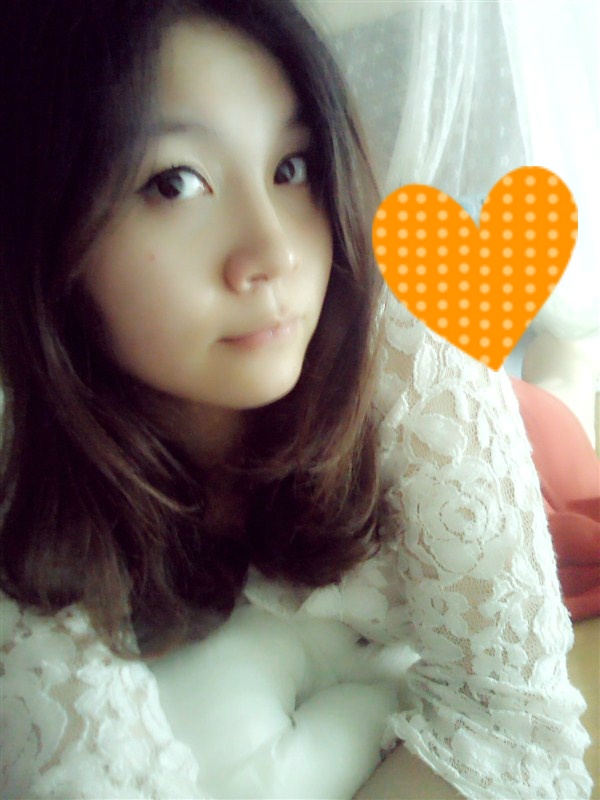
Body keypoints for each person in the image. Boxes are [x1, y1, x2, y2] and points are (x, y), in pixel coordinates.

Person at [0, 1, 592, 798]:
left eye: (293, 167)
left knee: (556, 415)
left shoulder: (408, 346)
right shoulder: (27, 476)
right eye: (176, 183)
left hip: (497, 429)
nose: (276, 250)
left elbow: (524, 735)